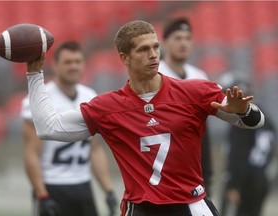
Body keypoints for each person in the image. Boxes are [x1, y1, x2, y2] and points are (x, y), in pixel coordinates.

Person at [25, 20, 264, 216]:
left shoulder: (194, 91)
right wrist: (34, 73)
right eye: (143, 49)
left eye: (156, 47)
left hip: (191, 204)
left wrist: (244, 111)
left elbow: (255, 121)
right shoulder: (108, 107)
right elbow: (48, 128)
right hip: (141, 209)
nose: (153, 55)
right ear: (124, 57)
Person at [21, 41, 117, 216]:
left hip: (83, 185)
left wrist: (108, 190)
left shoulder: (90, 96)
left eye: (78, 61)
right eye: (68, 62)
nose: (73, 67)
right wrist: (42, 195)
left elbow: (94, 149)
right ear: (55, 65)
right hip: (52, 185)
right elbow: (31, 154)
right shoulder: (39, 99)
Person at [159, 17, 212, 195]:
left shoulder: (199, 76)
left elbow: (205, 131)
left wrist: (208, 171)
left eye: (187, 39)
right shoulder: (155, 76)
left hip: (196, 162)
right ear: (164, 42)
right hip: (164, 160)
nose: (183, 43)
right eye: (178, 38)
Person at [220, 80, 276, 216]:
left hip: (243, 181)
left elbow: (238, 153)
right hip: (261, 178)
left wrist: (234, 185)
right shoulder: (267, 120)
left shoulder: (241, 121)